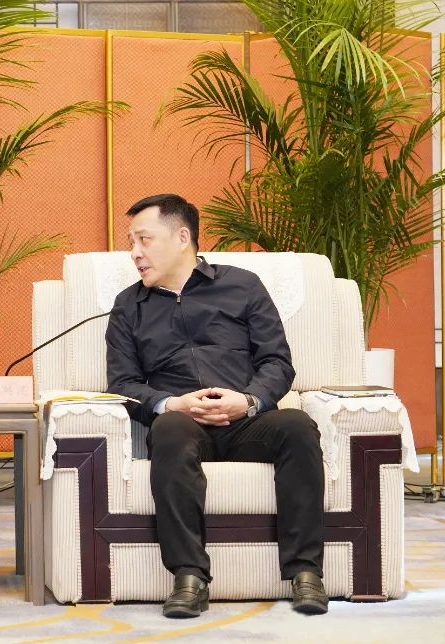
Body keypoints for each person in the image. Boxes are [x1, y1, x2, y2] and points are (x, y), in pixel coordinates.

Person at [105, 193, 327, 618]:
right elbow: (123, 384)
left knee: (298, 426)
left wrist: (248, 400)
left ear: (181, 237)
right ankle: (189, 577)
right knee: (168, 429)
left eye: (144, 240)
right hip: (183, 425)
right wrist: (172, 404)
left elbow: (277, 362)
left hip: (247, 422)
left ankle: (305, 573)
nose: (134, 253)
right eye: (131, 242)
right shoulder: (128, 306)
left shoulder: (243, 285)